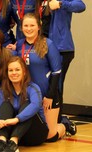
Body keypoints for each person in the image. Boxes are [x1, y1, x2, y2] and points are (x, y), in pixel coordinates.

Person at [34, 0, 86, 123]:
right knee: (48, 84)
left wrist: (61, 4)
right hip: (44, 48)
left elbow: (81, 5)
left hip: (61, 48)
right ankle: (50, 119)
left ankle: (58, 121)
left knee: (57, 85)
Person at [15, 13, 73, 141]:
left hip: (47, 95)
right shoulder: (19, 45)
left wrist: (50, 96)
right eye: (26, 25)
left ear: (39, 27)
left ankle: (65, 124)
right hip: (28, 95)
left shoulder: (48, 44)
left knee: (50, 136)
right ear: (21, 27)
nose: (29, 28)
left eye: (32, 25)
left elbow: (57, 72)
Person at [0, 56, 48, 152]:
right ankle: (1, 141)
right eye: (11, 70)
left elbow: (35, 105)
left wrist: (17, 119)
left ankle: (14, 143)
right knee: (5, 105)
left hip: (35, 133)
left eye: (17, 70)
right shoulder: (4, 90)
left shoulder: (33, 88)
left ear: (24, 72)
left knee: (27, 104)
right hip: (15, 131)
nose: (14, 73)